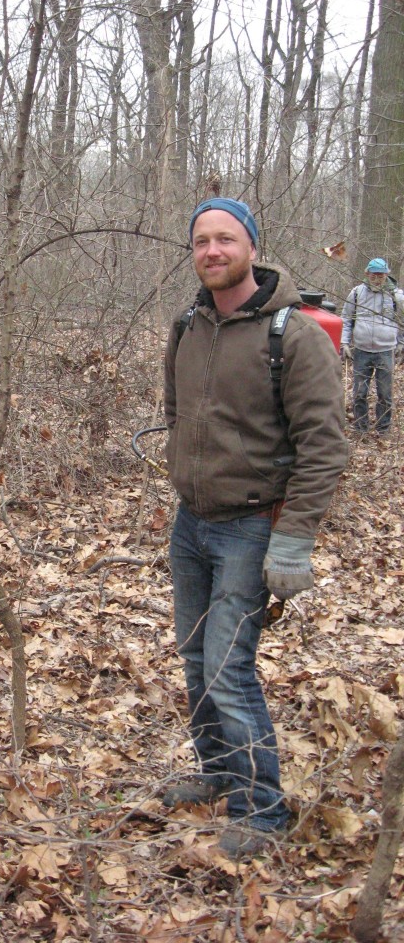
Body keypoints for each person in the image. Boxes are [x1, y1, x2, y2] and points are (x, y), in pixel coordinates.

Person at [162, 198, 348, 859]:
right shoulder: (187, 324)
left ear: (252, 246)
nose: (212, 251)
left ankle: (261, 808)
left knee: (227, 668)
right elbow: (176, 410)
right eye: (201, 241)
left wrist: (293, 540)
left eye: (226, 239)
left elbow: (325, 447)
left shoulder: (291, 335)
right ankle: (217, 773)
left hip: (251, 527)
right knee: (193, 655)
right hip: (192, 524)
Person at [340, 257, 404, 436]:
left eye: (381, 276)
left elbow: (402, 320)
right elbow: (346, 319)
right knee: (359, 393)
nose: (377, 279)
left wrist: (401, 344)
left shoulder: (397, 296)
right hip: (361, 350)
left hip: (386, 351)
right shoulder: (356, 294)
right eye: (374, 275)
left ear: (387, 276)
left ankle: (383, 430)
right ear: (367, 274)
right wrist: (344, 343)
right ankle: (360, 428)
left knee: (385, 394)